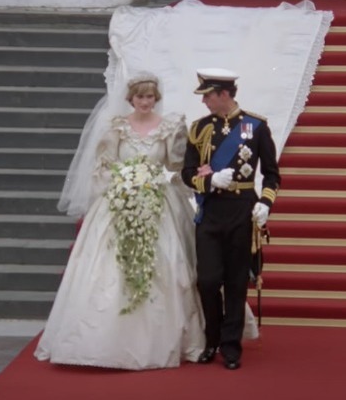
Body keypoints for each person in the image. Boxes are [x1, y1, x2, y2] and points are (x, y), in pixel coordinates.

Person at [35, 72, 206, 370]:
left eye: (150, 97)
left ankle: (159, 338)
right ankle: (99, 340)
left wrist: (184, 180)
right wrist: (122, 186)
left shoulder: (169, 127)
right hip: (119, 201)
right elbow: (103, 168)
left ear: (156, 98)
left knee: (164, 265)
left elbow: (175, 166)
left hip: (157, 201)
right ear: (131, 98)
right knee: (107, 266)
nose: (145, 101)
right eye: (140, 97)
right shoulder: (115, 127)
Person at [182, 68, 281, 370]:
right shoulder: (199, 129)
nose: (204, 103)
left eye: (208, 97)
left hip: (242, 212)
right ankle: (211, 338)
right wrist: (210, 183)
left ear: (224, 95)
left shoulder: (257, 126)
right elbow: (188, 173)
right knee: (208, 281)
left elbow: (273, 174)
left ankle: (230, 345)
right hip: (211, 213)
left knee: (237, 283)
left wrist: (265, 202)